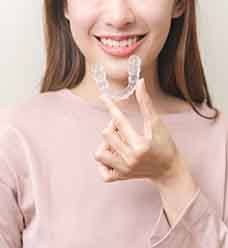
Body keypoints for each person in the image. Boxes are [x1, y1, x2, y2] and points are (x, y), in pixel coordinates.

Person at [0, 0, 227, 247]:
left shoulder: (221, 139)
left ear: (179, 4)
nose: (119, 17)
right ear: (64, 5)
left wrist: (172, 178)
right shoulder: (13, 135)